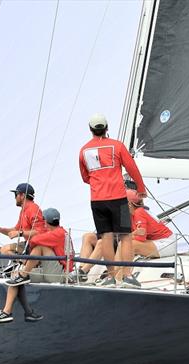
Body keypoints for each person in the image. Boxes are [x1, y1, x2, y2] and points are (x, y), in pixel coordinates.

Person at [79, 113, 147, 288]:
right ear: (107, 128)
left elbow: (85, 177)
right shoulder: (117, 146)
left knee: (106, 238)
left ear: (90, 130)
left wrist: (98, 180)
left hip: (97, 201)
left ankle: (110, 278)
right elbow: (132, 167)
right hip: (118, 199)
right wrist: (140, 188)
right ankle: (127, 277)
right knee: (125, 237)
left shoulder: (84, 151)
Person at [0, 208, 69, 323]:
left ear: (46, 221)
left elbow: (34, 240)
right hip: (53, 272)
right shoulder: (61, 232)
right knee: (16, 277)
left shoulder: (57, 233)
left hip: (58, 275)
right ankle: (12, 312)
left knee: (39, 247)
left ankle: (24, 274)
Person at [0, 183, 46, 255]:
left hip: (36, 246)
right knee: (4, 250)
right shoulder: (24, 210)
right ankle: (24, 262)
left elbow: (40, 232)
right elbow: (16, 230)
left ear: (22, 196)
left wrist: (20, 233)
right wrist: (0, 230)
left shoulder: (33, 209)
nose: (15, 198)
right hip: (29, 244)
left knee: (5, 250)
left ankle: (26, 263)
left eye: (16, 194)